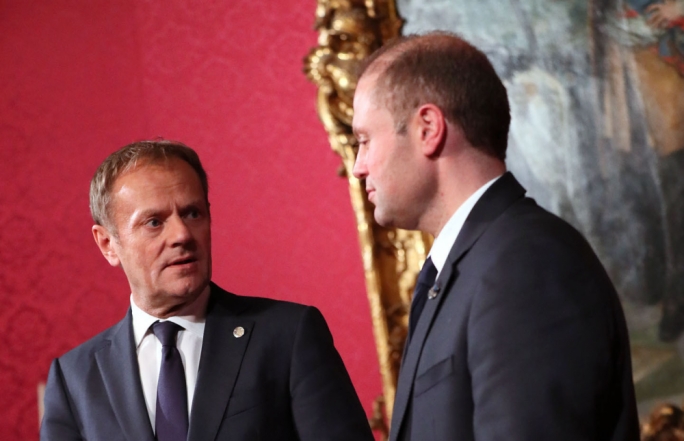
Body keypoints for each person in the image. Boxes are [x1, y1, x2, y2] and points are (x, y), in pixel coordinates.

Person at [351, 31, 640, 441]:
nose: (359, 166)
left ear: (428, 128)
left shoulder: (527, 263)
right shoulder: (463, 268)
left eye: (364, 140)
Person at [40, 140, 374, 441]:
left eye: (192, 213)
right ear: (108, 244)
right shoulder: (75, 379)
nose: (182, 234)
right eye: (154, 222)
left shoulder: (288, 336)